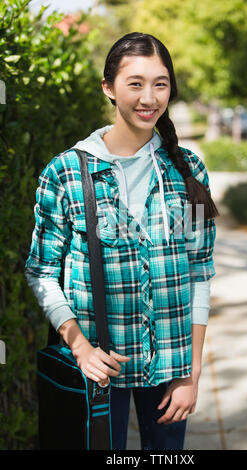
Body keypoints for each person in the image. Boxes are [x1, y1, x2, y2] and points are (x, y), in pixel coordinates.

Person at [25, 32, 218, 451]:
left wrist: (192, 371)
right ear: (109, 88)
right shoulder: (66, 173)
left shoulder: (190, 172)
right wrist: (80, 348)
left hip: (170, 368)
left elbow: (200, 268)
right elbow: (41, 270)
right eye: (135, 83)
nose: (149, 97)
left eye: (160, 83)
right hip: (98, 372)